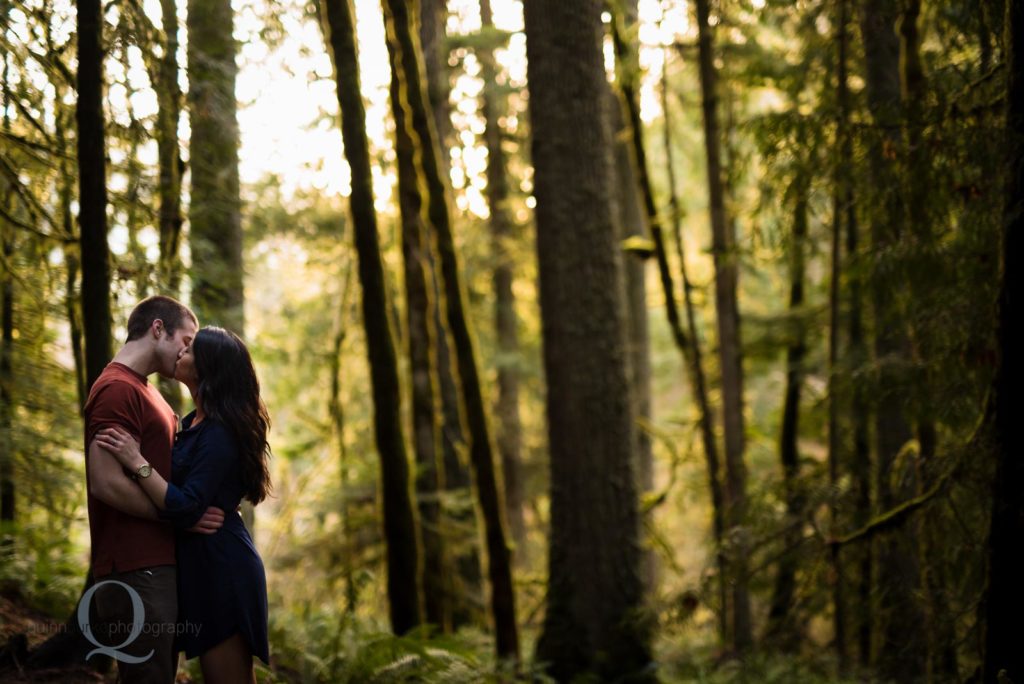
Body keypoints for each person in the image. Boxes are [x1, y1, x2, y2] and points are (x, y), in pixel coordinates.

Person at [96, 326, 272, 683]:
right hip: (201, 567)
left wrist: (136, 461)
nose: (181, 353)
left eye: (190, 350)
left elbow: (189, 506)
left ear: (209, 367)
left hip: (223, 568)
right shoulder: (192, 422)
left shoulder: (220, 432)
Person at [84, 295, 223, 684]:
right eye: (187, 339)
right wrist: (177, 517)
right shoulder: (116, 389)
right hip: (134, 568)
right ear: (157, 329)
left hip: (153, 565)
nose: (188, 351)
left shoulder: (145, 391)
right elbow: (105, 481)